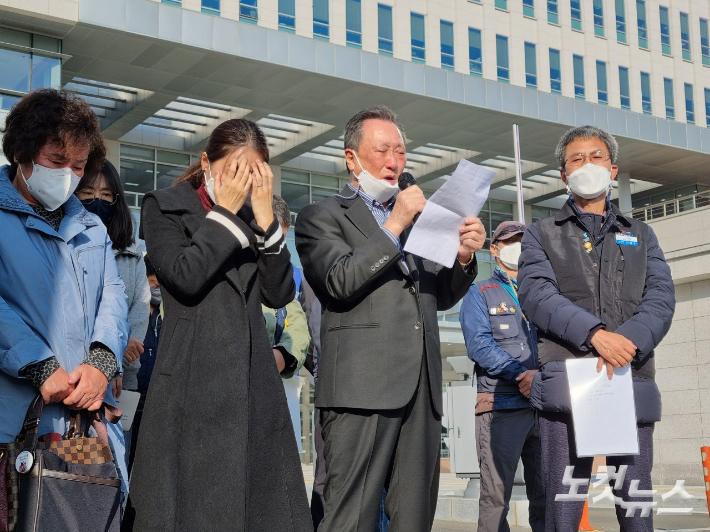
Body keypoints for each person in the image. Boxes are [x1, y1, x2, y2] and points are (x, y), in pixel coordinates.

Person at [295, 105, 486, 531]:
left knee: (413, 517)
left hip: (420, 391)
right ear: (352, 158)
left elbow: (440, 295)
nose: (393, 161)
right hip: (361, 391)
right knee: (350, 517)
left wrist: (464, 257)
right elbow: (339, 280)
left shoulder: (423, 222)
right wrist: (395, 223)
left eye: (400, 152)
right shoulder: (321, 216)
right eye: (382, 150)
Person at [129, 118, 311, 531]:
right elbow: (184, 276)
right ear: (205, 162)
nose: (242, 183)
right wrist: (227, 214)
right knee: (187, 507)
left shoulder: (255, 218)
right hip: (189, 381)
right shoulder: (164, 205)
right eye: (233, 171)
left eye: (254, 174)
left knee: (254, 508)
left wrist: (266, 221)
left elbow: (280, 293)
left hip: (250, 383)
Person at [517, 125, 675, 532]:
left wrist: (627, 342)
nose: (587, 164)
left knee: (635, 505)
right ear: (563, 175)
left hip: (629, 376)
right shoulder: (541, 234)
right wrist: (595, 335)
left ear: (613, 168)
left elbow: (660, 299)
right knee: (563, 504)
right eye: (576, 158)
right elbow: (536, 295)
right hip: (568, 384)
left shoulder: (641, 234)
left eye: (596, 156)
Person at [0, 89, 130, 512]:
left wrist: (102, 362)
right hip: (13, 416)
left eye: (78, 167)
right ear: (22, 152)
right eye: (57, 162)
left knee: (77, 514)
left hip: (81, 423)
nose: (69, 176)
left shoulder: (92, 226)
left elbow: (114, 296)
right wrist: (37, 362)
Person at [459, 221, 545, 532]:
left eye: (524, 240)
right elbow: (479, 345)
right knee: (496, 497)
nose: (518, 246)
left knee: (548, 495)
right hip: (502, 407)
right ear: (494, 249)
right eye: (511, 241)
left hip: (546, 407)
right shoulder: (480, 293)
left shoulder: (545, 293)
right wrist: (521, 374)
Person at [75, 159, 150, 472]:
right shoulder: (69, 243)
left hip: (123, 385)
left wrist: (122, 353)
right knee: (78, 469)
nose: (98, 201)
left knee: (116, 473)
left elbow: (140, 306)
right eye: (88, 192)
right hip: (79, 379)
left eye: (107, 195)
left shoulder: (132, 252)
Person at [128, 254, 162, 473]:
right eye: (153, 284)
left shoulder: (164, 316)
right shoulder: (134, 314)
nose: (157, 290)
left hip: (155, 407)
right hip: (129, 401)